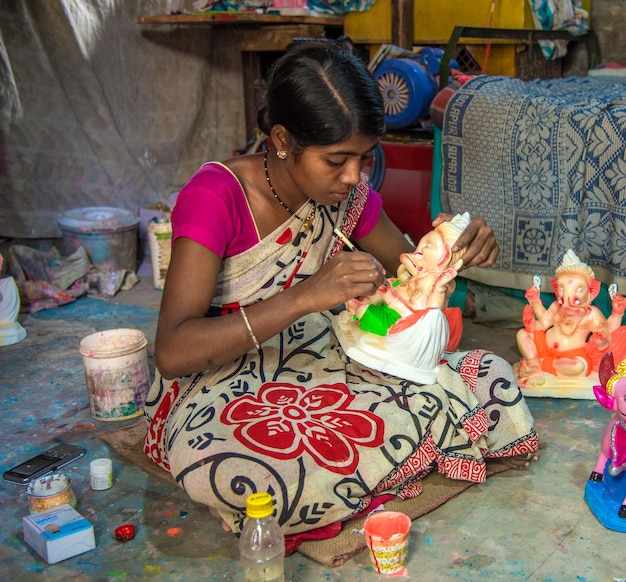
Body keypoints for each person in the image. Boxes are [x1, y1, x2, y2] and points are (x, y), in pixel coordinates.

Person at [143, 41, 539, 541]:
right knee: (253, 475)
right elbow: (174, 351)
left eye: (365, 158)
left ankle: (360, 470)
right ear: (283, 140)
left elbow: (407, 269)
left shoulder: (347, 197)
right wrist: (304, 297)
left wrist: (451, 249)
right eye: (336, 160)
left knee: (490, 381)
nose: (353, 176)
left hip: (324, 357)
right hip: (226, 379)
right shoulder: (216, 196)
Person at [332, 212, 469, 384]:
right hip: (391, 311)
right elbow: (398, 282)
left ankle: (361, 311)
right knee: (360, 303)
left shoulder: (431, 288)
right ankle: (360, 309)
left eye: (429, 245)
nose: (420, 248)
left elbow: (411, 314)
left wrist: (390, 295)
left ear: (445, 256)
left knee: (361, 309)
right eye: (423, 241)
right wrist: (389, 286)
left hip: (399, 325)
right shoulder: (414, 275)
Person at [517, 249, 626, 382]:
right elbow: (544, 322)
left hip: (572, 356)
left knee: (578, 366)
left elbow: (608, 330)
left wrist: (617, 313)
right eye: (562, 288)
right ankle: (533, 361)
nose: (568, 297)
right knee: (522, 334)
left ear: (591, 291)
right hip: (545, 347)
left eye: (579, 289)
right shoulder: (557, 306)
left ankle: (542, 364)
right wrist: (533, 314)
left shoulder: (591, 314)